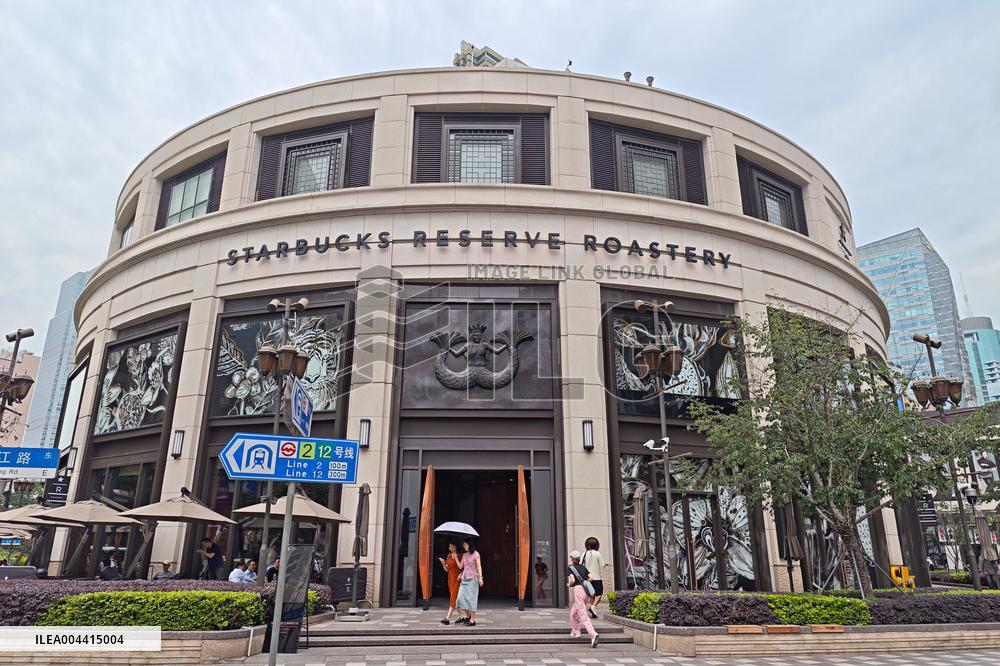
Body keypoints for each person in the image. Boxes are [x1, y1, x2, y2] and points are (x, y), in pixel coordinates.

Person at [567, 550, 599, 648]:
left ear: (572, 559)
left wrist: (569, 584)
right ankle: (576, 632)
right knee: (573, 613)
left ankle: (593, 634)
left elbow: (572, 580)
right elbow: (591, 578)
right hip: (586, 592)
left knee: (582, 614)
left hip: (578, 590)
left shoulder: (570, 568)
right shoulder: (583, 567)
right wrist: (584, 581)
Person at [454, 539, 483, 627]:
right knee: (459, 599)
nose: (464, 546)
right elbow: (460, 566)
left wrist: (480, 578)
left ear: (470, 544)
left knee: (471, 599)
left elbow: (479, 567)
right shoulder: (464, 555)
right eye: (463, 545)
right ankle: (468, 615)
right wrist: (455, 557)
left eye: (465, 545)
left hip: (473, 579)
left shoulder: (476, 554)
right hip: (464, 579)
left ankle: (473, 620)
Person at [582, 536, 607, 619]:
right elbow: (602, 565)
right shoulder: (598, 553)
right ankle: (593, 607)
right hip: (596, 577)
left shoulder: (584, 553)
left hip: (588, 578)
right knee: (599, 594)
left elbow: (581, 565)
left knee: (592, 595)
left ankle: (593, 612)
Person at [438, 543, 461, 624]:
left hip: (457, 579)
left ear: (456, 547)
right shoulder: (448, 556)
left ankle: (447, 618)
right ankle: (461, 616)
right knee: (454, 598)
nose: (451, 548)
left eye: (453, 547)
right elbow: (446, 570)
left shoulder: (460, 556)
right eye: (450, 547)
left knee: (453, 597)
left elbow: (462, 568)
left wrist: (456, 558)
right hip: (450, 578)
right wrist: (443, 563)